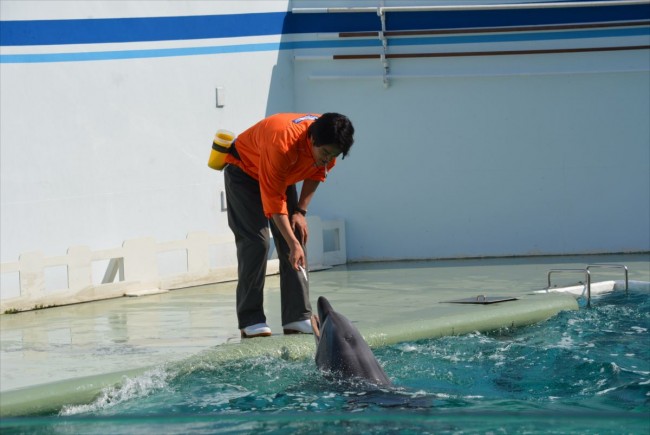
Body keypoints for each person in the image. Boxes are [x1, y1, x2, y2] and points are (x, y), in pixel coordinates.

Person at [223, 113, 355, 338]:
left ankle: (297, 316)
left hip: (282, 177)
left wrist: (300, 212)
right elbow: (274, 203)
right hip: (244, 173)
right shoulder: (282, 143)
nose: (328, 159)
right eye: (325, 153)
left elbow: (317, 173)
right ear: (312, 140)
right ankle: (250, 319)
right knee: (257, 243)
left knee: (296, 233)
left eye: (334, 155)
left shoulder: (330, 143)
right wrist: (292, 243)